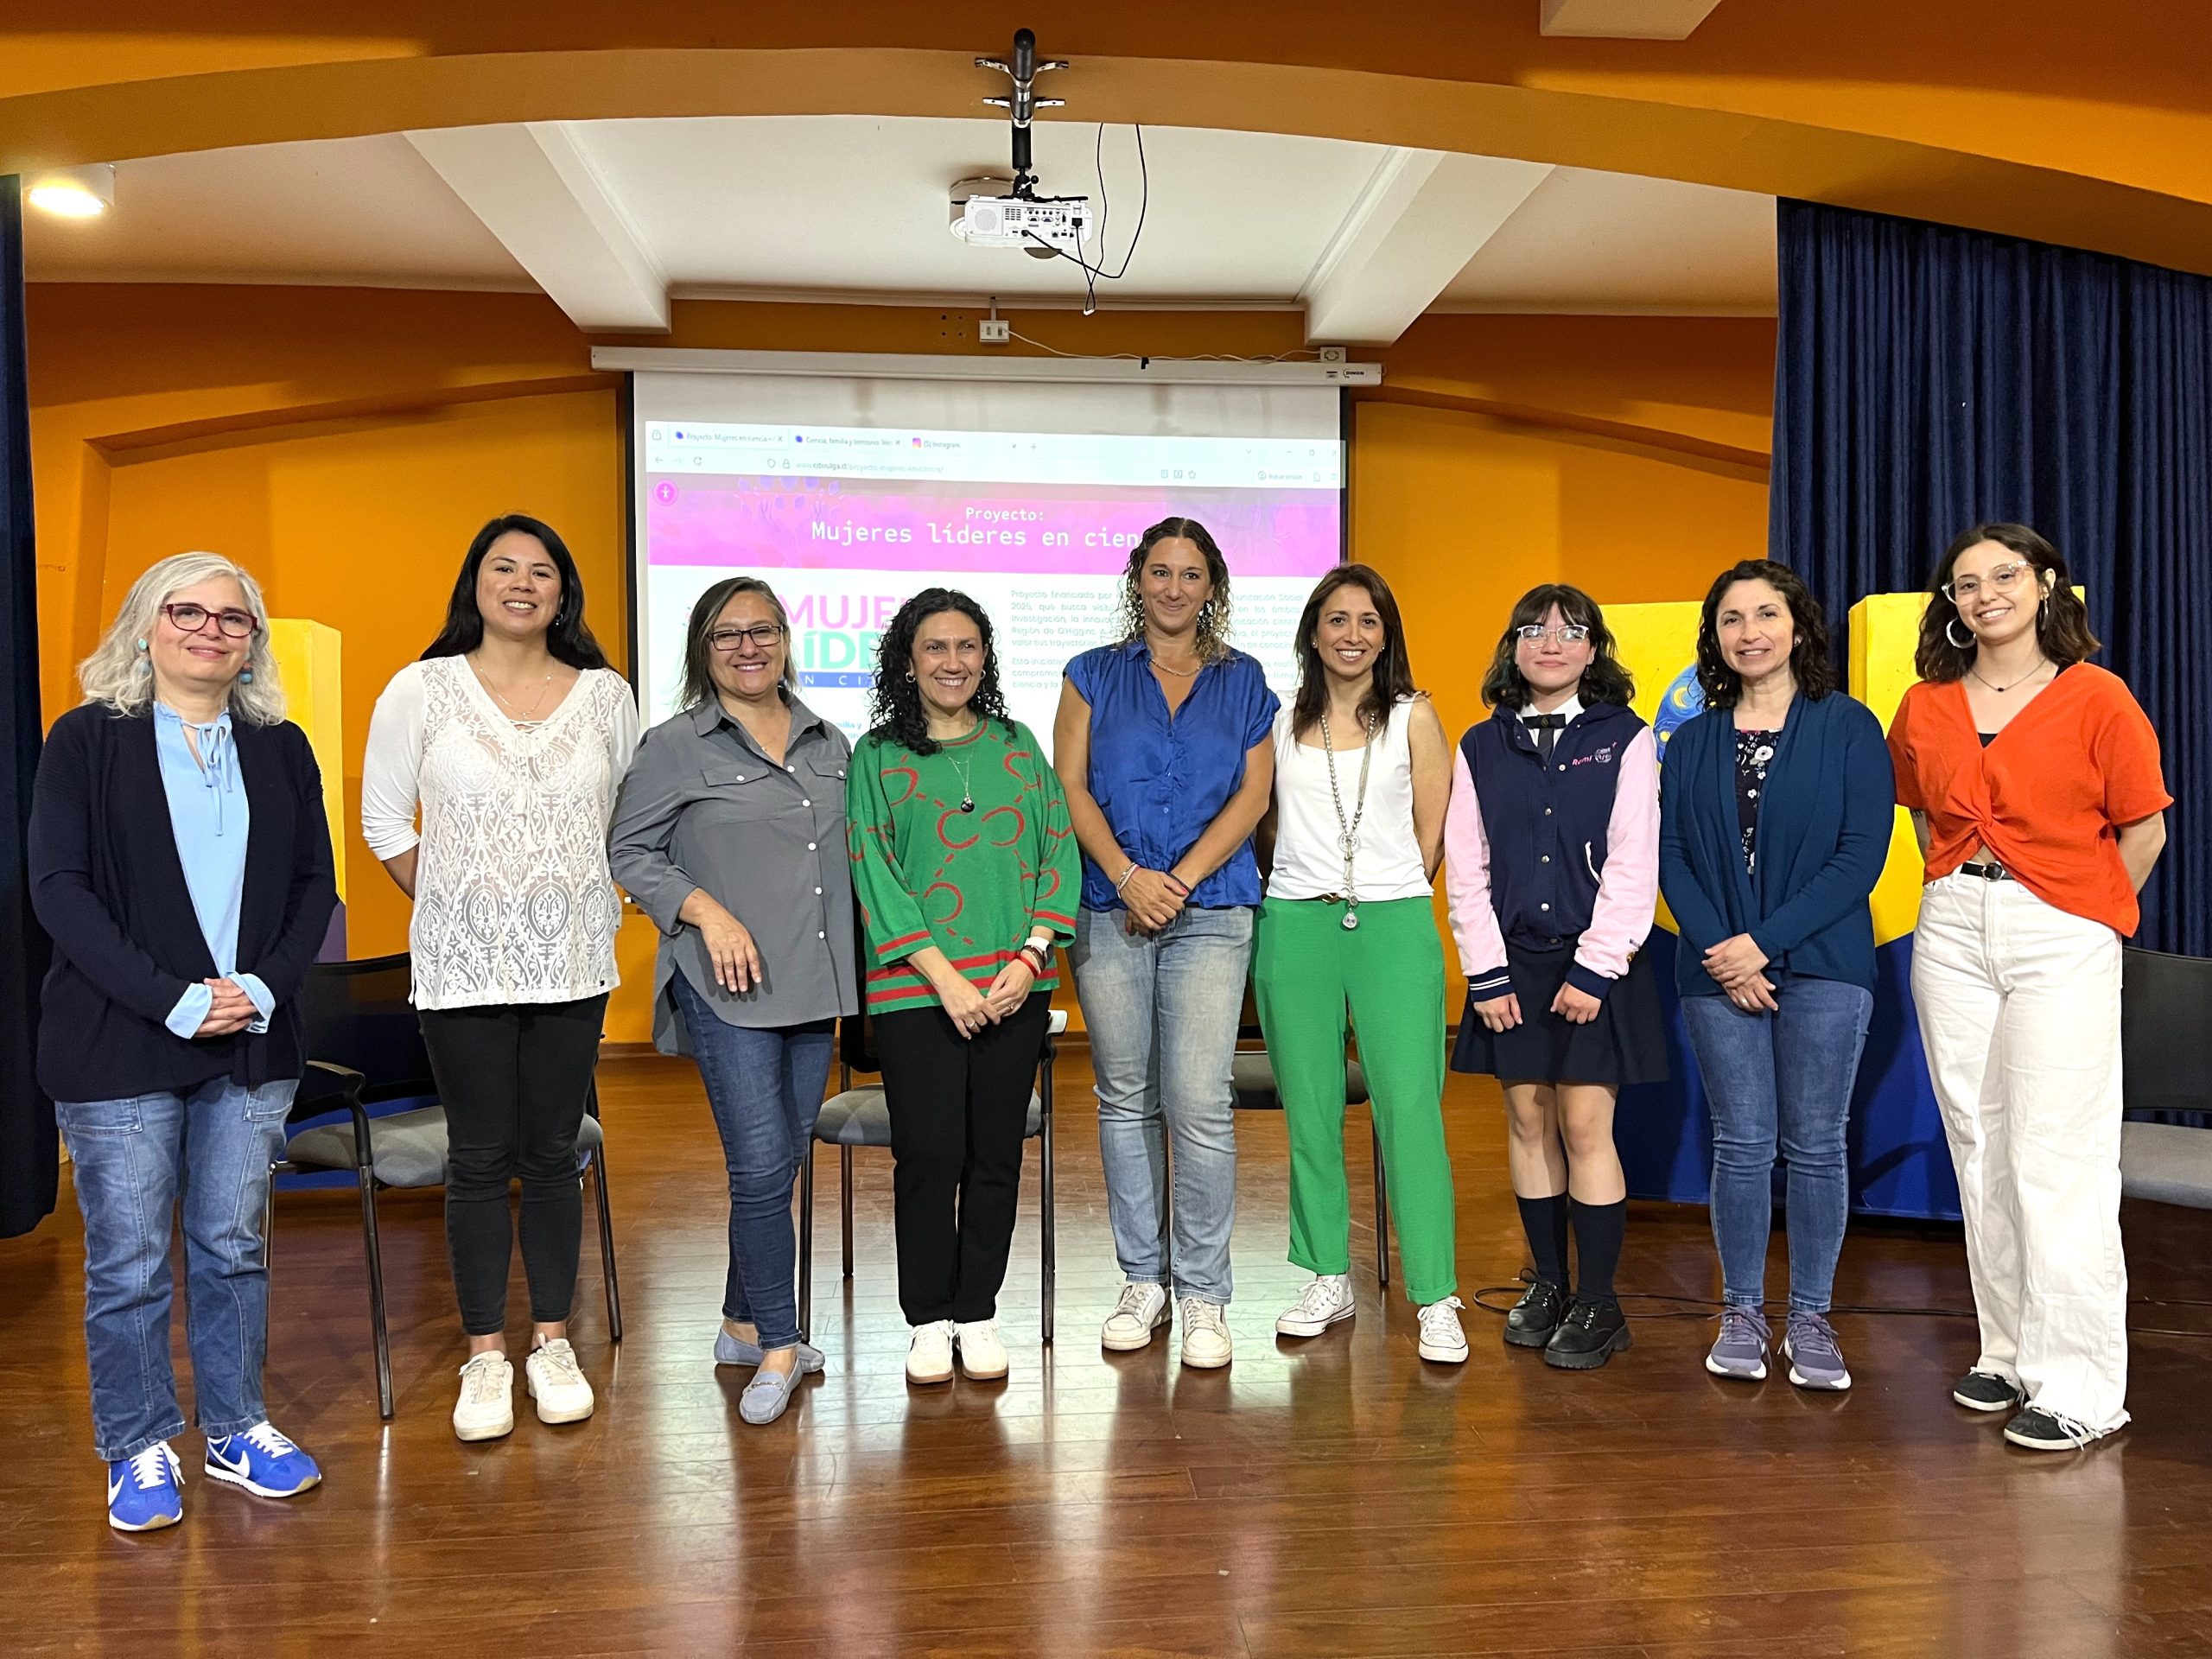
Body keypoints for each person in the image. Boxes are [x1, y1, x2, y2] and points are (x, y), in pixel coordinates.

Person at [30, 553, 336, 1531]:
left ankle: (236, 1429)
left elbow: (310, 888)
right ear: (145, 627)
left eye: (232, 618)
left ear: (252, 645)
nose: (209, 629)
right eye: (187, 610)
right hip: (119, 1037)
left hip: (249, 1037)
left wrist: (252, 991)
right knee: (126, 1262)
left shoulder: (282, 746)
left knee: (233, 1246)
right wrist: (172, 1000)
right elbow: (59, 893)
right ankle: (136, 1444)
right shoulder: (86, 740)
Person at [1888, 524, 2168, 1451]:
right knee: (1980, 1144)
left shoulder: (2096, 696)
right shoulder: (1925, 704)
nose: (1984, 594)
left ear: (2046, 584)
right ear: (1952, 607)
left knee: (2059, 1158)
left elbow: (2143, 830)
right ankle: (2006, 1352)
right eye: (1964, 584)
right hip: (1952, 929)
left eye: (2003, 575)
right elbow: (1922, 806)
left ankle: (2081, 1388)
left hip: (2062, 933)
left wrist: (2083, 915)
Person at [362, 512, 639, 1443]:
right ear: (474, 584)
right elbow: (383, 824)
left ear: (564, 592)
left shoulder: (606, 697)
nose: (522, 583)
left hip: (572, 962)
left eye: (542, 571)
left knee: (554, 1155)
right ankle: (487, 1355)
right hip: (462, 966)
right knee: (480, 1159)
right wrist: (457, 903)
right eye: (502, 567)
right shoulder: (422, 688)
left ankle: (551, 1342)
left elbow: (624, 825)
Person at [608, 577, 854, 1425]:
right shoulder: (675, 745)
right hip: (728, 991)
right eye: (726, 636)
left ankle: (740, 1324)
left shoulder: (831, 742)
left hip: (813, 988)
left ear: (786, 638)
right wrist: (704, 911)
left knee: (779, 1166)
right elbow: (630, 850)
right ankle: (782, 1344)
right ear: (702, 654)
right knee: (757, 1172)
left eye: (762, 631)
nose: (747, 647)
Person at [1659, 559, 1891, 1391]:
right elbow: (1673, 857)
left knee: (1817, 1145)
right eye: (1731, 618)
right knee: (1743, 1143)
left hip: (1826, 966)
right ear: (1714, 637)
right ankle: (1744, 1312)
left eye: (1766, 613)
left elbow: (1860, 857)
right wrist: (1726, 949)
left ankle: (1812, 1318)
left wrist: (1764, 944)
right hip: (1715, 970)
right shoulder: (1690, 741)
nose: (1749, 631)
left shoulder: (1851, 727)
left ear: (1798, 626)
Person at [1054, 518, 1277, 1370]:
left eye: (1190, 574)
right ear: (1136, 580)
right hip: (1110, 910)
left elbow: (1253, 797)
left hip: (1214, 912)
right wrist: (1126, 874)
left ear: (1211, 586)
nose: (1174, 588)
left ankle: (1204, 1295)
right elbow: (1067, 785)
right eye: (1159, 572)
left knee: (1198, 1101)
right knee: (1124, 1096)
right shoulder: (1091, 676)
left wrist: (1174, 879)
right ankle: (1141, 1281)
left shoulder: (1244, 680)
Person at [847, 588, 1080, 1387]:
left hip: (1017, 988)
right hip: (918, 992)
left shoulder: (1018, 746)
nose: (953, 662)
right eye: (935, 648)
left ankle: (976, 1311)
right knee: (928, 1154)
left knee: (995, 1156)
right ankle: (927, 1318)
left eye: (967, 647)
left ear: (985, 658)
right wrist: (946, 978)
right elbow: (873, 872)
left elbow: (1060, 854)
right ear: (906, 663)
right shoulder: (875, 757)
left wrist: (1028, 958)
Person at [1445, 585, 1665, 1370]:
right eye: (1534, 631)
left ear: (1595, 651)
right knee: (1528, 1123)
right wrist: (1486, 974)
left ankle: (1600, 1303)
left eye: (1571, 633)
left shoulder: (1626, 738)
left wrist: (1597, 970)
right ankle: (1548, 1282)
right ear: (1512, 646)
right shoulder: (1480, 744)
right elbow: (1465, 868)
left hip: (1595, 963)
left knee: (1583, 1127)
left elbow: (1636, 863)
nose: (1551, 643)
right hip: (1511, 968)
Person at [1256, 565, 1467, 1363]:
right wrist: (1310, 887)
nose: (1352, 635)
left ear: (1388, 635)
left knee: (1409, 1111)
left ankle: (1436, 1295)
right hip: (1296, 926)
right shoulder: (1278, 724)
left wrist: (1381, 890)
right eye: (1337, 620)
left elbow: (1433, 831)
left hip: (1391, 922)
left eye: (1368, 621)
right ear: (1313, 632)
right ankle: (1325, 1275)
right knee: (1309, 1111)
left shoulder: (1415, 716)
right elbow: (1266, 826)